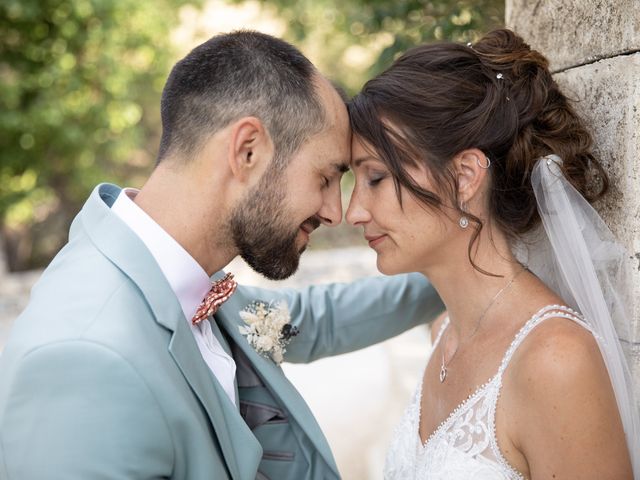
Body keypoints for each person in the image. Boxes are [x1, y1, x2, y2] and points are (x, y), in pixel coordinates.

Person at [0, 31, 445, 480]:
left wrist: (452, 270)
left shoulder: (175, 278)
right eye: (327, 177)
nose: (335, 212)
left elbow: (317, 318)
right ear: (247, 151)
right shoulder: (84, 359)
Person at [347, 28, 639, 479]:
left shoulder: (556, 360)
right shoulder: (442, 334)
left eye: (376, 178)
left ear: (464, 176)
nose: (354, 211)